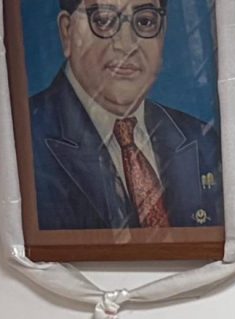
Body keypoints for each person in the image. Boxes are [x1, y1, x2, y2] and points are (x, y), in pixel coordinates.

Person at [27, 0, 222, 233]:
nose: (127, 45)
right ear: (67, 32)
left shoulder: (202, 140)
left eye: (145, 21)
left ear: (163, 32)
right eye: (104, 21)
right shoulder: (26, 141)